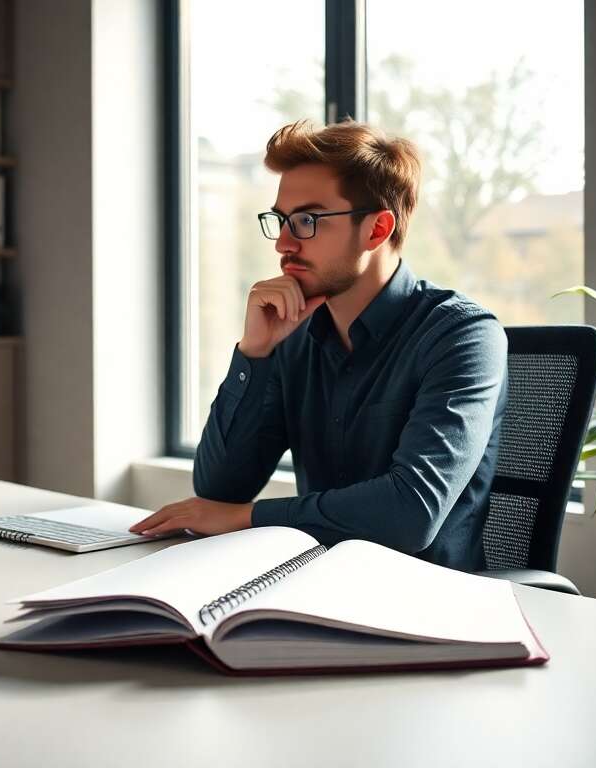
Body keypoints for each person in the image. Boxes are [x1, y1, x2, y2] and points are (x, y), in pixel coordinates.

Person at [130, 120, 507, 571]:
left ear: (377, 229)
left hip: (428, 599)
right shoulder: (293, 336)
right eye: (281, 221)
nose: (283, 244)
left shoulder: (463, 336)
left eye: (307, 221)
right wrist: (255, 352)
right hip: (310, 584)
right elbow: (219, 490)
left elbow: (411, 513)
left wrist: (248, 518)